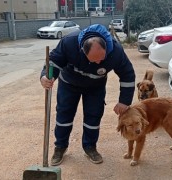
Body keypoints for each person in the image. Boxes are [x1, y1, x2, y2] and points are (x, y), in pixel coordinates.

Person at [40, 24, 135, 165]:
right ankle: (60, 147)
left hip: (95, 87)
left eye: (101, 59)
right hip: (69, 84)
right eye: (94, 60)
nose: (98, 62)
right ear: (82, 51)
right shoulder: (69, 42)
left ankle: (90, 147)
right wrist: (46, 76)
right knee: (63, 115)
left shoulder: (115, 51)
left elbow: (127, 75)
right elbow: (54, 61)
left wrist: (124, 101)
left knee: (93, 116)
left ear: (106, 48)